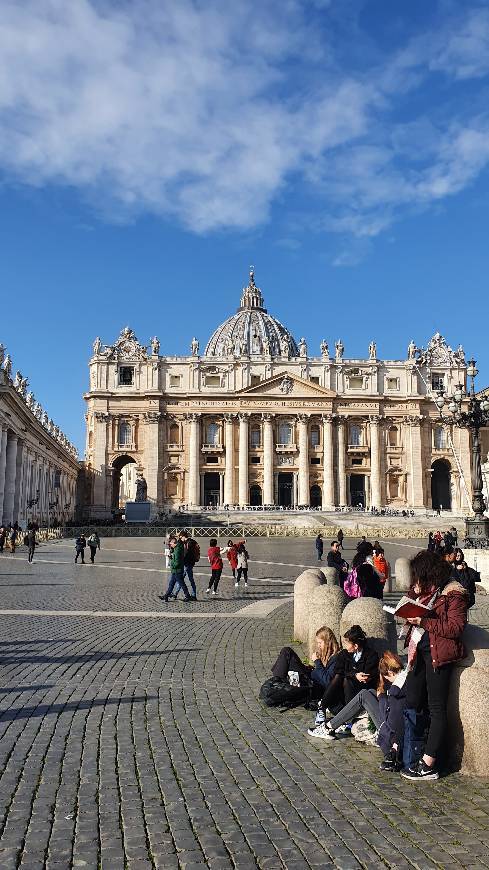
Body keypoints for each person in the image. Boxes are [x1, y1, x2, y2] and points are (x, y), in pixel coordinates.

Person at [400, 550, 469, 781]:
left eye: (420, 576)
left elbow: (455, 628)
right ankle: (410, 752)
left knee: (436, 707)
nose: (417, 581)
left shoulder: (454, 593)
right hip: (419, 652)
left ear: (430, 572)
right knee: (412, 699)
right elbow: (414, 601)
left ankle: (429, 763)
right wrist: (414, 594)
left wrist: (424, 621)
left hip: (439, 654)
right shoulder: (430, 589)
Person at [311, 651, 407, 767]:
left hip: (389, 731)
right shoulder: (405, 677)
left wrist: (381, 695)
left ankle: (328, 727)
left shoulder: (396, 688)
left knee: (363, 695)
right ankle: (340, 722)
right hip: (393, 723)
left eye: (386, 677)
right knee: (370, 692)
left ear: (390, 672)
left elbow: (387, 712)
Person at [308, 625, 379, 739]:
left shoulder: (370, 655)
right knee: (341, 677)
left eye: (347, 643)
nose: (345, 646)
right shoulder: (344, 654)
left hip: (362, 689)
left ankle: (324, 707)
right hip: (346, 688)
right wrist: (354, 674)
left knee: (346, 679)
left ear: (355, 646)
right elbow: (339, 671)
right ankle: (322, 706)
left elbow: (370, 674)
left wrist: (357, 676)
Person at [162, 536, 191, 602]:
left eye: (171, 544)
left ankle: (187, 596)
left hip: (177, 570)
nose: (170, 546)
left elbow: (177, 562)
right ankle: (166, 595)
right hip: (175, 570)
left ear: (174, 543)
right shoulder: (176, 549)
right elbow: (175, 559)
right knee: (171, 584)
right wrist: (171, 557)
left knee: (182, 584)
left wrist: (172, 565)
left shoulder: (177, 550)